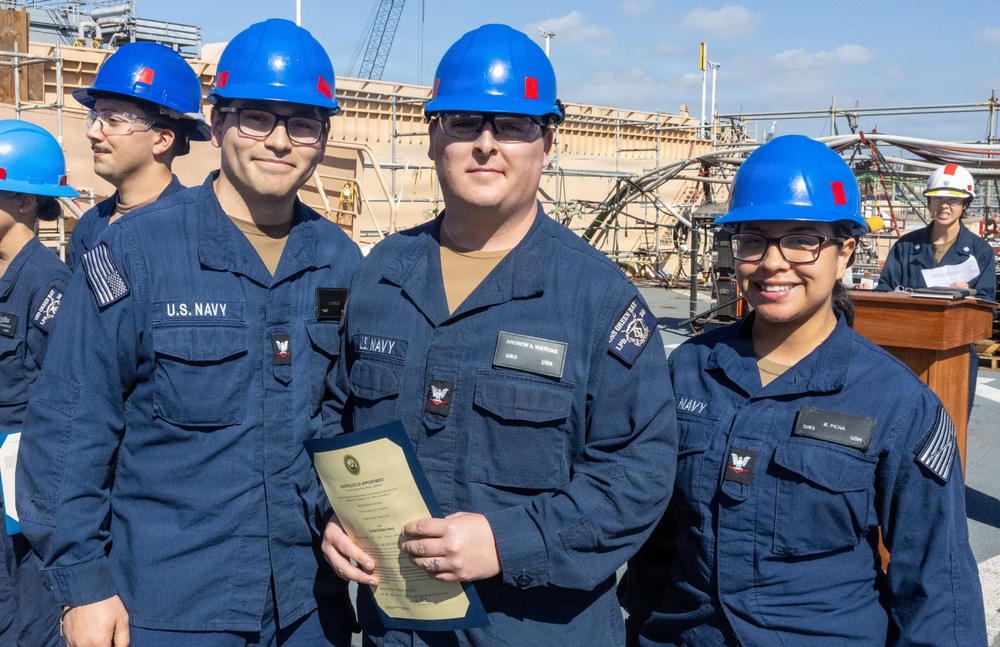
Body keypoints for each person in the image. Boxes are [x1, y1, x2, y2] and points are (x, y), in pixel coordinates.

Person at [320, 23, 677, 646]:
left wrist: (507, 541)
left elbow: (638, 473)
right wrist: (333, 513)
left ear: (547, 143)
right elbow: (334, 415)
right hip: (398, 626)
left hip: (535, 628)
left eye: (512, 126)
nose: (486, 144)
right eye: (463, 122)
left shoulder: (596, 299)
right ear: (433, 137)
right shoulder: (381, 277)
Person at [16, 19, 360, 646]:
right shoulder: (134, 251)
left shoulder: (339, 261)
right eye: (257, 118)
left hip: (308, 605)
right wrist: (82, 584)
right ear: (219, 122)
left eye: (302, 123)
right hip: (170, 605)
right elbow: (71, 425)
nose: (278, 141)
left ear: (323, 137)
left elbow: (341, 415)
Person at [620, 135, 987, 646]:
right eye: (753, 239)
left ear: (844, 253)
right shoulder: (690, 370)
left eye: (801, 240)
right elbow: (655, 543)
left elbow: (936, 584)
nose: (772, 262)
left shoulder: (896, 401)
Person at [0, 121, 78, 647]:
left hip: (22, 493)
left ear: (25, 201)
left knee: (25, 621)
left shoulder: (48, 284)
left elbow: (67, 402)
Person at [68, 41, 210, 269]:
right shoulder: (89, 227)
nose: (92, 132)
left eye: (113, 120)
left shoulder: (199, 232)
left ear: (162, 140)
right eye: (94, 118)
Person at [875, 162, 996, 414]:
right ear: (929, 202)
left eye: (953, 200)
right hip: (906, 349)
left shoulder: (980, 252)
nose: (944, 206)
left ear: (964, 204)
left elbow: (987, 308)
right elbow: (885, 291)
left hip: (956, 355)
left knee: (953, 419)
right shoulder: (906, 246)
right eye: (938, 198)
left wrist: (968, 298)